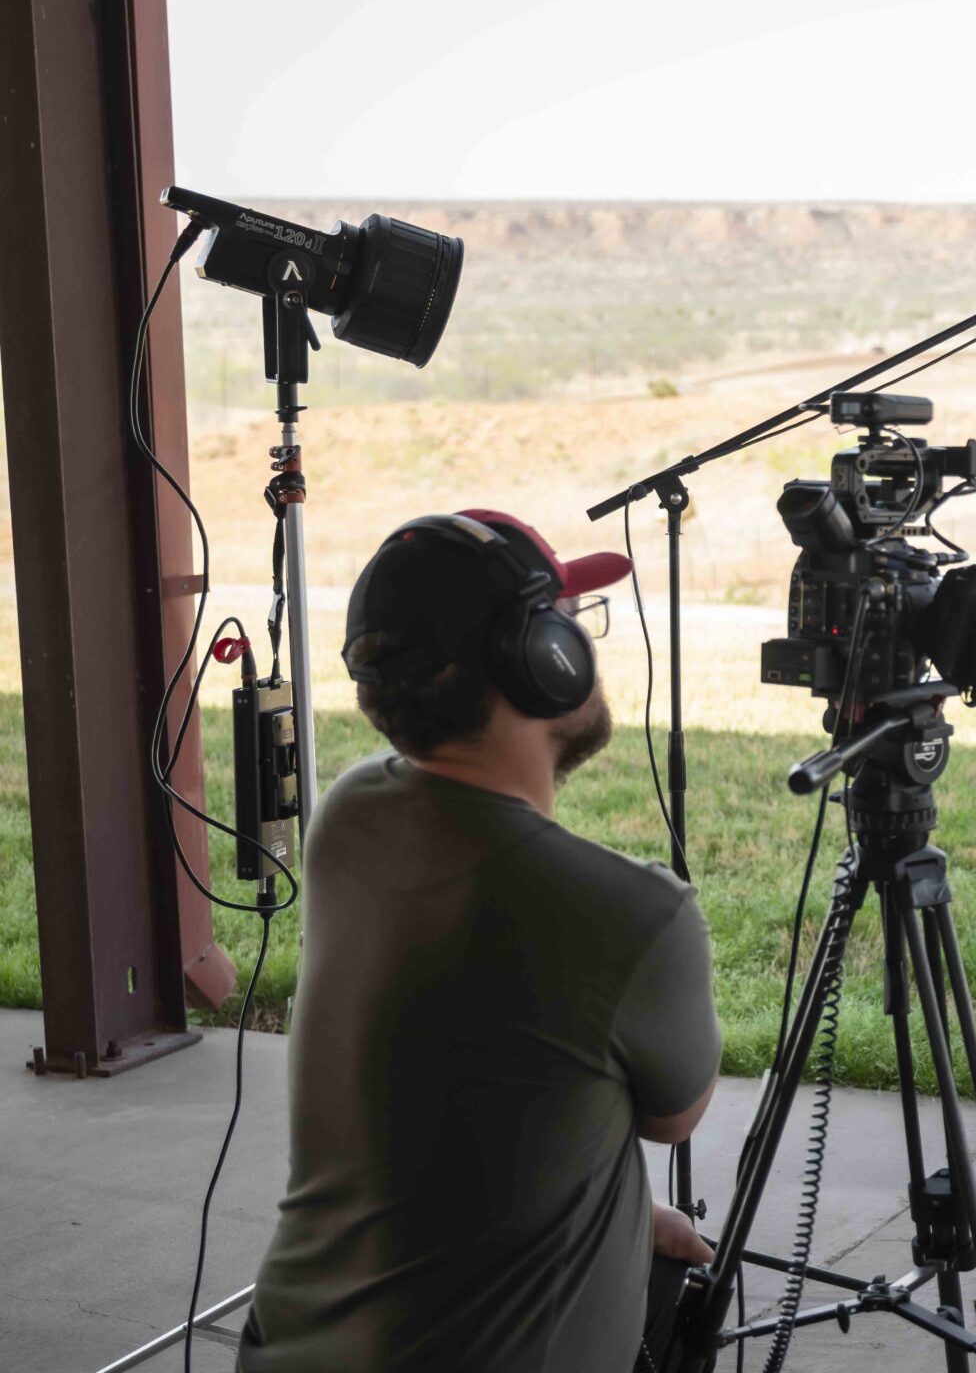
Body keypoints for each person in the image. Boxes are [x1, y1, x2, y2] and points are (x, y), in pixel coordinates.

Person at [238, 510, 720, 1372]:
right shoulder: (633, 914)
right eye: (569, 620)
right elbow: (672, 1117)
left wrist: (609, 1219)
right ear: (538, 659)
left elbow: (457, 1087)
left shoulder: (350, 815)